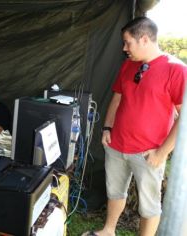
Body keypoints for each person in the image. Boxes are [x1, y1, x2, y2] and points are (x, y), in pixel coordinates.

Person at [84, 17, 186, 236]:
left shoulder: (176, 69)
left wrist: (162, 153)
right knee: (115, 192)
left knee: (149, 205)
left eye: (128, 43)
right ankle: (108, 231)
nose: (124, 48)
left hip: (148, 152)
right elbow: (117, 98)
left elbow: (184, 117)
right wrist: (107, 128)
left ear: (145, 39)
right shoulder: (129, 65)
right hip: (117, 144)